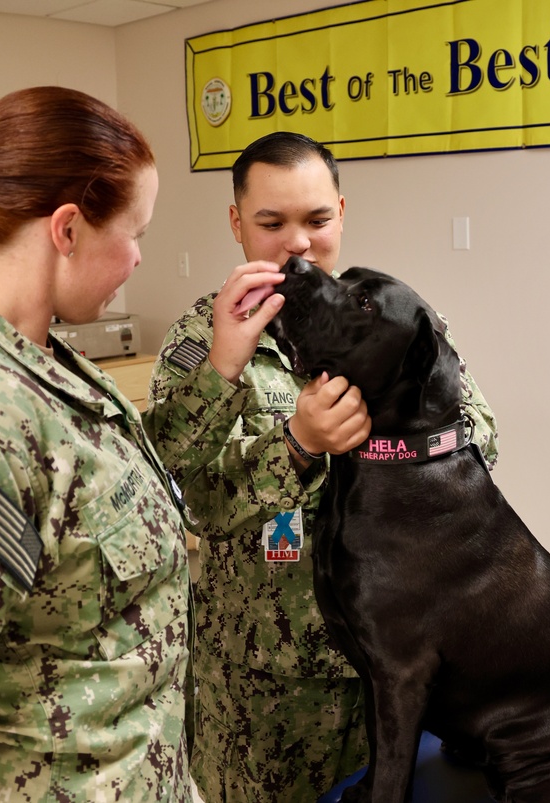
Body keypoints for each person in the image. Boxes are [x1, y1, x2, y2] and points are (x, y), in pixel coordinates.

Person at [0, 86, 283, 802]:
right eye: (134, 232)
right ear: (68, 228)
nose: (140, 258)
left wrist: (221, 366)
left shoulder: (34, 360)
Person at [145, 131, 499, 802]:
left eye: (316, 219)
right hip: (266, 687)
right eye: (271, 222)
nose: (298, 243)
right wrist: (298, 444)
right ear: (235, 222)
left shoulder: (393, 324)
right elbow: (187, 496)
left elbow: (482, 436)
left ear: (341, 211)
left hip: (391, 662)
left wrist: (379, 437)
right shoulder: (202, 341)